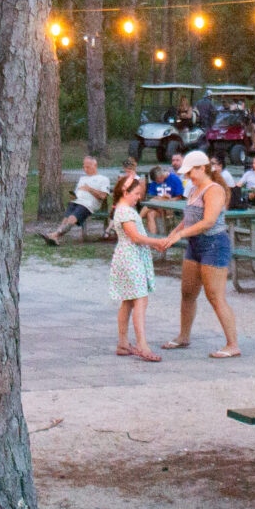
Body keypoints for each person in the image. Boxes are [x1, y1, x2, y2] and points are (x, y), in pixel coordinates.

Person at [162, 150, 242, 357]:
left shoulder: (214, 190)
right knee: (188, 292)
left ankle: (232, 344)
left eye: (191, 172)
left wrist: (181, 235)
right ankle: (184, 335)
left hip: (214, 243)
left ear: (202, 168)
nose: (188, 177)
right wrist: (172, 234)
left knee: (215, 295)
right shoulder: (193, 189)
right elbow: (188, 218)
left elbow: (208, 222)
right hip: (195, 244)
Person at [105, 171, 163, 360]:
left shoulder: (125, 210)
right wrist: (156, 242)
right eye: (136, 194)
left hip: (130, 256)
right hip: (130, 258)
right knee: (140, 299)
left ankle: (123, 343)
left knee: (129, 300)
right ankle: (142, 345)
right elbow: (135, 237)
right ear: (125, 192)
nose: (139, 198)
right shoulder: (123, 211)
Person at [42, 156, 112, 244]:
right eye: (84, 167)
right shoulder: (82, 179)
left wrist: (89, 189)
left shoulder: (103, 179)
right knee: (66, 219)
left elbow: (103, 196)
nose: (85, 169)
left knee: (72, 218)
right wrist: (72, 196)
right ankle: (55, 237)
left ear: (95, 165)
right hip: (76, 201)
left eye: (88, 167)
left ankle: (55, 235)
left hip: (87, 205)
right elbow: (76, 192)